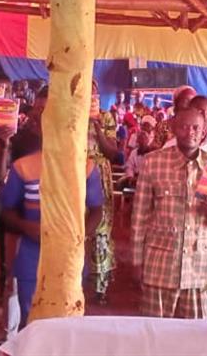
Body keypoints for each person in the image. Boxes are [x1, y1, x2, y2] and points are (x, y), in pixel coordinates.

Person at [0, 91, 104, 333]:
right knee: (32, 323)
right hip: (31, 257)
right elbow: (6, 210)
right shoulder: (23, 167)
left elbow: (97, 210)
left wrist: (79, 237)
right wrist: (27, 227)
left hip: (70, 257)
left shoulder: (85, 167)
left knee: (69, 321)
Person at [131, 108, 207, 319]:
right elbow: (140, 216)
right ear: (174, 129)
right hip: (160, 266)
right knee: (155, 332)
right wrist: (136, 260)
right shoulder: (153, 162)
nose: (190, 132)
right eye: (184, 127)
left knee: (198, 335)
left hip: (201, 268)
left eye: (196, 127)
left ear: (204, 131)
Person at [88, 81, 122, 304]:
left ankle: (100, 285)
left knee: (100, 229)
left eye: (93, 92)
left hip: (98, 174)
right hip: (74, 173)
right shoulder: (70, 114)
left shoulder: (106, 117)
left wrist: (97, 126)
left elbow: (112, 153)